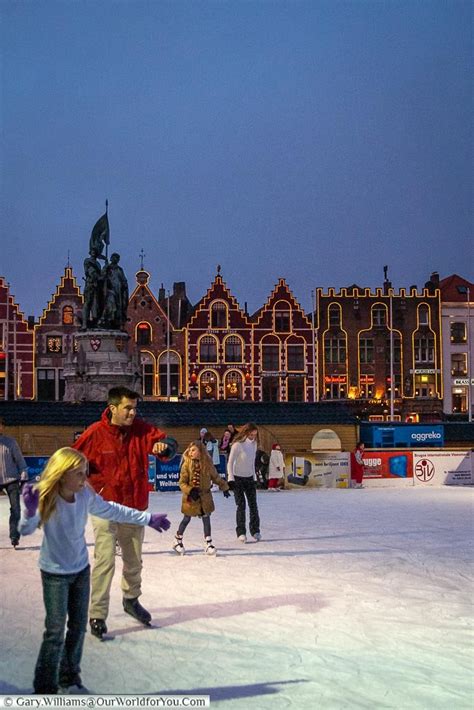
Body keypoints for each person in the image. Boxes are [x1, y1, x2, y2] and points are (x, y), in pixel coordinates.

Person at [19, 447, 170, 695]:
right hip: (54, 574)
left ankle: (69, 678)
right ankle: (44, 688)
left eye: (84, 473)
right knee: (55, 631)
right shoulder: (47, 497)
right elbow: (26, 530)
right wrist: (30, 510)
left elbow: (113, 509)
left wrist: (146, 518)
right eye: (78, 474)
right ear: (62, 474)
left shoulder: (85, 495)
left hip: (80, 570)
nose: (84, 479)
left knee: (78, 627)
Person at [73, 386, 174, 639]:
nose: (132, 413)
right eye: (127, 408)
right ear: (113, 408)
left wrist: (165, 447)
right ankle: (97, 614)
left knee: (134, 561)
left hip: (132, 507)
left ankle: (131, 599)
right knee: (104, 561)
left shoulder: (141, 430)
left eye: (134, 408)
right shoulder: (95, 434)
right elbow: (73, 459)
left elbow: (165, 442)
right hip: (104, 507)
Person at [172, 441, 230, 556]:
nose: (190, 452)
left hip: (205, 496)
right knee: (186, 519)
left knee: (206, 518)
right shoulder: (187, 464)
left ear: (200, 451)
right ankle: (177, 540)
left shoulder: (207, 464)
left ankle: (208, 543)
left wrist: (224, 487)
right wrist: (190, 490)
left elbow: (215, 477)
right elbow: (182, 483)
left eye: (193, 450)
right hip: (191, 497)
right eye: (190, 450)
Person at [227, 422, 261, 543]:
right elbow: (230, 463)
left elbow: (252, 462)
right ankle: (241, 532)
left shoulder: (254, 444)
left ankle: (255, 530)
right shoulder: (237, 445)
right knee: (241, 506)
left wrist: (255, 478)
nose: (253, 437)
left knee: (253, 505)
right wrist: (231, 479)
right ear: (246, 433)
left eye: (255, 435)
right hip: (238, 479)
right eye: (251, 434)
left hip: (249, 478)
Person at [0, 416, 28, 547]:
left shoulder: (10, 442)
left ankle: (14, 536)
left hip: (12, 480)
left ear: (2, 427)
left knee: (16, 509)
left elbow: (21, 462)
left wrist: (23, 477)